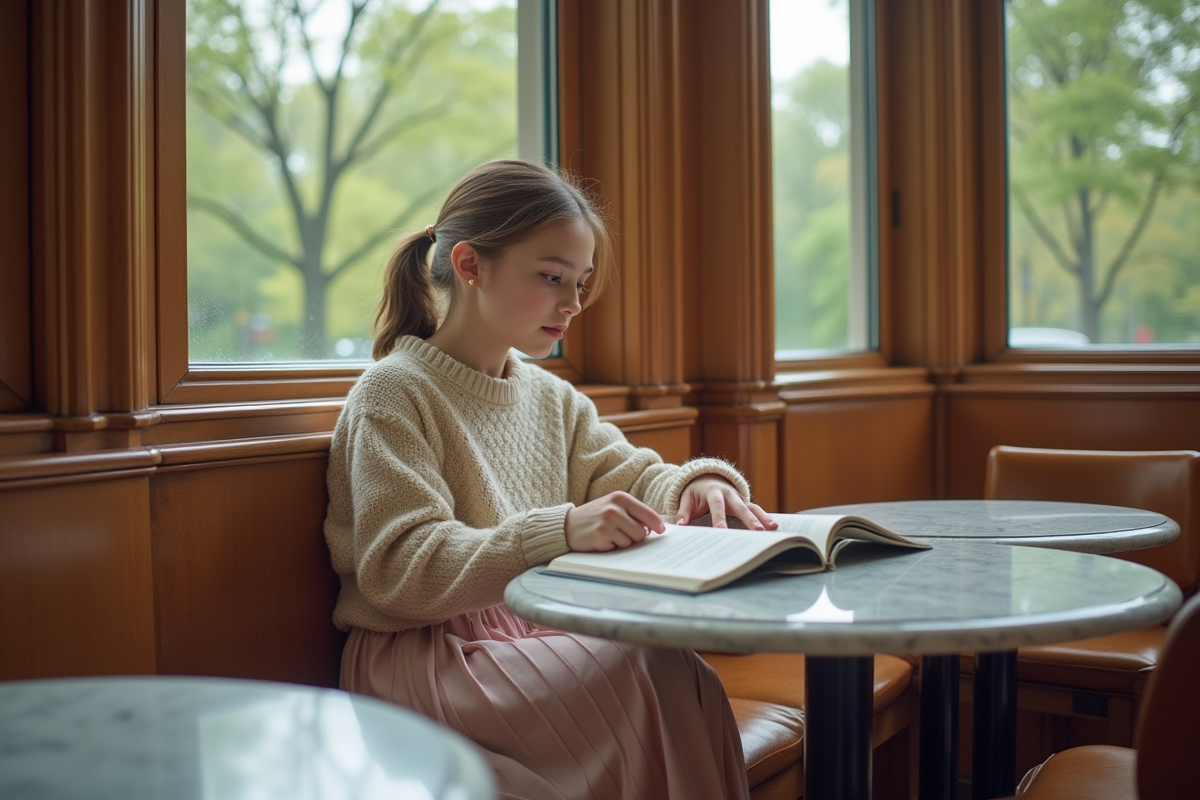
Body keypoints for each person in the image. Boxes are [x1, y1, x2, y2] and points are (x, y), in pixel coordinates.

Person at [324, 159, 777, 800]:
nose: (574, 303)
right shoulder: (394, 393)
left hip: (531, 631)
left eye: (582, 282)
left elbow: (627, 472)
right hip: (430, 656)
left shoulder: (548, 395)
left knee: (676, 668)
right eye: (551, 277)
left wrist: (693, 486)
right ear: (471, 265)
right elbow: (398, 570)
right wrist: (556, 532)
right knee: (653, 667)